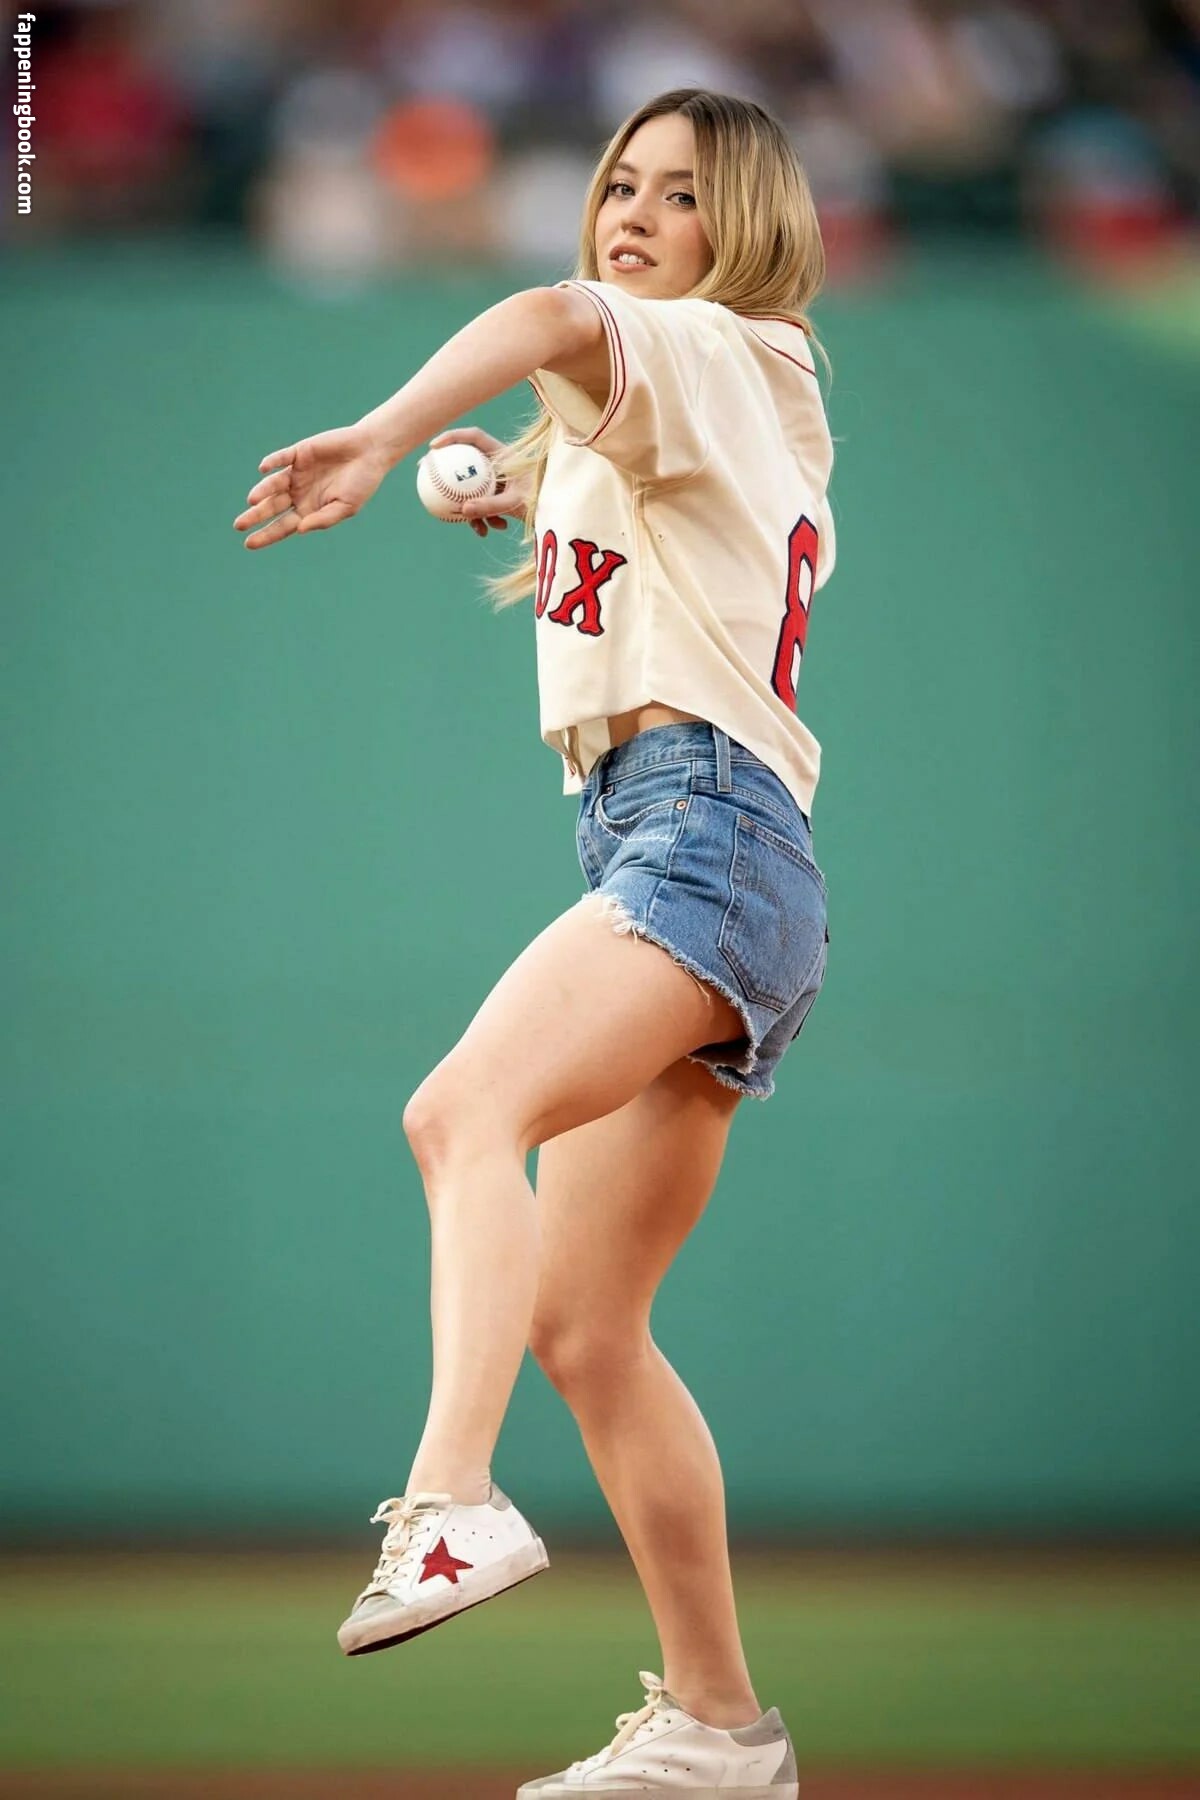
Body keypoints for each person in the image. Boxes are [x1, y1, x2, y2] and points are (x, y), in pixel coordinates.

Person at [232, 85, 834, 1800]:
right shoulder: (696, 395)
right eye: (622, 182)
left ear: (749, 228)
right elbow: (593, 408)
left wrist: (383, 433)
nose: (635, 213)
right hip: (709, 844)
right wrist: (514, 469)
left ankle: (450, 1501)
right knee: (586, 1326)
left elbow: (551, 315)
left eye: (683, 194)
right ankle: (722, 1728)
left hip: (703, 830)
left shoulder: (729, 345)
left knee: (459, 1113)